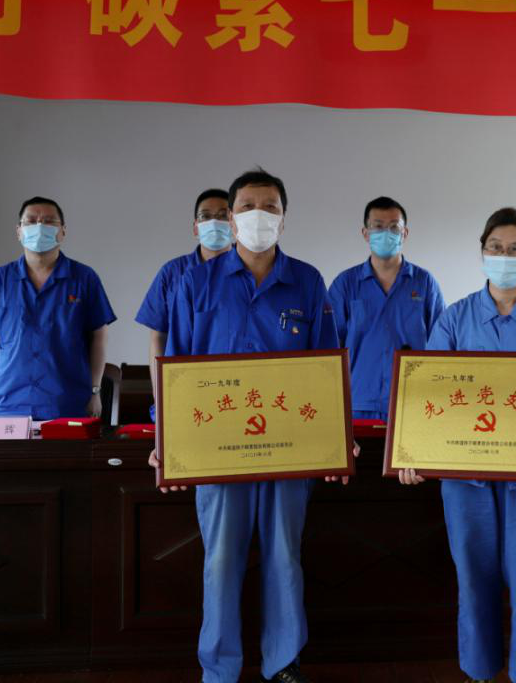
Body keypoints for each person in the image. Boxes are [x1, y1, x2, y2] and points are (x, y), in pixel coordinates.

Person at [148, 168, 338, 683]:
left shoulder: (308, 281)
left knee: (284, 557)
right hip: (216, 449)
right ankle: (219, 669)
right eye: (248, 206)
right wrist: (168, 438)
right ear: (231, 219)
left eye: (270, 207)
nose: (259, 216)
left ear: (284, 218)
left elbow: (325, 367)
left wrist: (335, 441)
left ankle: (282, 663)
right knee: (220, 561)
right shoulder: (195, 282)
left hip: (290, 448)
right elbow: (177, 367)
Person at [398, 207, 516, 683]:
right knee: (474, 578)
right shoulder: (455, 319)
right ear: (482, 253)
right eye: (495, 248)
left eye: (515, 249)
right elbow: (427, 393)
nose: (505, 257)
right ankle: (479, 671)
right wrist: (413, 451)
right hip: (466, 477)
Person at [0, 196, 115, 420]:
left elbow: (99, 336)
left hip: (67, 402)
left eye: (49, 222)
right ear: (19, 231)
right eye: (31, 221)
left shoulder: (84, 278)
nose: (39, 227)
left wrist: (95, 391)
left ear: (63, 232)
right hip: (7, 403)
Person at [328, 196, 445, 423]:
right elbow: (331, 347)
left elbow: (440, 344)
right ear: (365, 233)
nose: (386, 234)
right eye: (378, 227)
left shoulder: (424, 283)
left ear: (405, 233)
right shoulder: (346, 284)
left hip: (413, 403)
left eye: (394, 227)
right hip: (357, 403)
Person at [135, 188, 232, 419]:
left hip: (234, 386)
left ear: (234, 224)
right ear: (195, 227)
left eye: (222, 216)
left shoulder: (250, 272)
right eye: (206, 216)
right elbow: (158, 337)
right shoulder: (172, 273)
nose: (214, 222)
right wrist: (160, 394)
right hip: (185, 388)